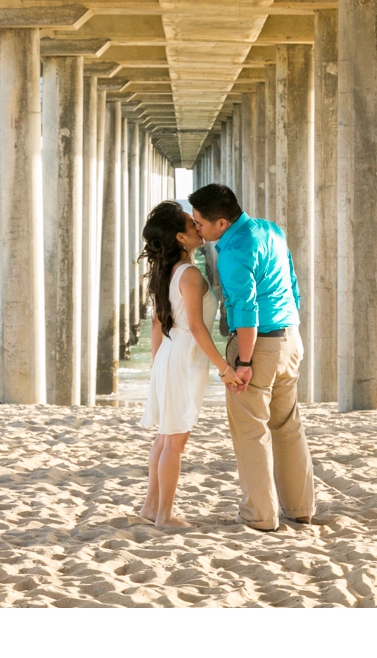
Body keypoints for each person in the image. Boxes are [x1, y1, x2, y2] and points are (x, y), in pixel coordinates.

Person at [188, 183, 316, 532]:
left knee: (250, 431)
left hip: (258, 345)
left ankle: (260, 514)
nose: (196, 227)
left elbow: (246, 310)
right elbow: (292, 282)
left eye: (200, 222)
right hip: (291, 336)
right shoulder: (271, 229)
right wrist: (288, 324)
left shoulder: (233, 252)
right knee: (288, 426)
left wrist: (243, 363)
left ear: (222, 223)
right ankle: (301, 508)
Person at [136, 200, 238, 528]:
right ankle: (165, 515)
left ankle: (151, 508)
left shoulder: (165, 272)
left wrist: (157, 365)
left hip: (169, 354)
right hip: (184, 357)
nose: (198, 225)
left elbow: (156, 323)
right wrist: (224, 368)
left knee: (165, 438)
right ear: (180, 237)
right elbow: (197, 327)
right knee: (174, 441)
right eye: (190, 223)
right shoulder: (190, 274)